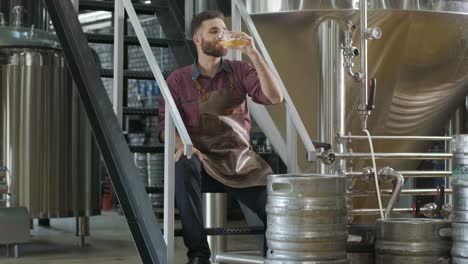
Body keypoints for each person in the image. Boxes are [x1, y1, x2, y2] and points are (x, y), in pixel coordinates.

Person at [158, 10, 283, 264]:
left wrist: (254, 53)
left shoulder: (240, 70)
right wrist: (185, 146)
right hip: (203, 164)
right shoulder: (177, 81)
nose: (222, 35)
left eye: (223, 30)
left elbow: (274, 97)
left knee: (276, 207)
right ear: (197, 40)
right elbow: (165, 126)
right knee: (183, 163)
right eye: (214, 31)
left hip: (241, 163)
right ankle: (199, 255)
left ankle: (273, 257)